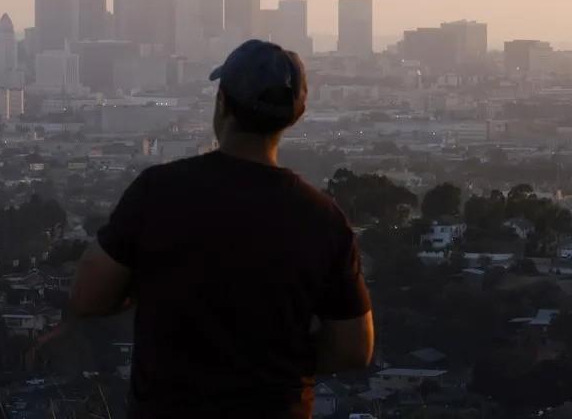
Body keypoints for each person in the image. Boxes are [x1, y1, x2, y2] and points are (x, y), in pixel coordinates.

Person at [71, 40, 374, 418]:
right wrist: (275, 361)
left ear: (221, 103)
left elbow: (88, 296)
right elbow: (353, 348)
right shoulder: (322, 219)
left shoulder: (159, 192)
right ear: (295, 115)